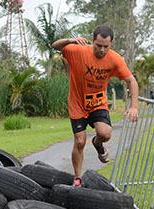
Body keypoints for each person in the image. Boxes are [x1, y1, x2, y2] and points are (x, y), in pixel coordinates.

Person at [52, 25, 139, 187]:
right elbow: (55, 46)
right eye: (98, 45)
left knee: (105, 133)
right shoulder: (77, 51)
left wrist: (134, 106)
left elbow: (131, 81)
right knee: (79, 141)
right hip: (77, 104)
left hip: (98, 103)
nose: (102, 50)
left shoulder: (115, 59)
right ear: (93, 41)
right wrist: (70, 40)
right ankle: (77, 178)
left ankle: (98, 144)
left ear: (111, 44)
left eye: (106, 46)